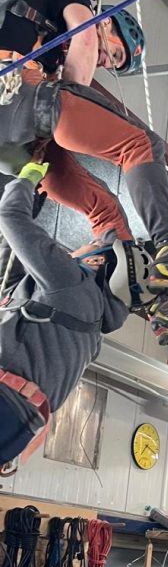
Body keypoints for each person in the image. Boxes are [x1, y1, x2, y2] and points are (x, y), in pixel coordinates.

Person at [0, 0, 168, 339]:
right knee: (140, 145)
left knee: (105, 209)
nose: (105, 62)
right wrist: (77, 104)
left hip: (17, 138)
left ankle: (161, 306)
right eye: (115, 55)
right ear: (108, 23)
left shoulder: (43, 48)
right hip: (19, 100)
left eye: (112, 64)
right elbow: (84, 39)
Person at [0, 161, 128, 466]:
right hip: (14, 425)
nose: (79, 247)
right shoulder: (88, 329)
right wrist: (26, 213)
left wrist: (27, 176)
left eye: (91, 244)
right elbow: (8, 277)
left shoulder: (71, 282)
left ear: (96, 262)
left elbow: (9, 216)